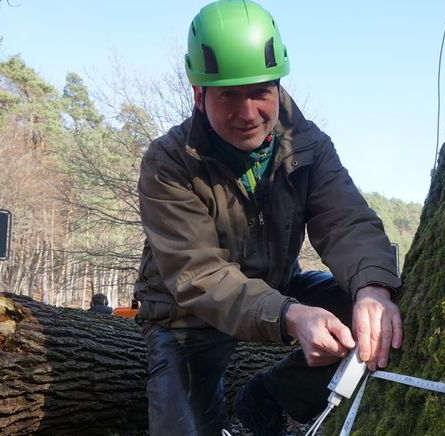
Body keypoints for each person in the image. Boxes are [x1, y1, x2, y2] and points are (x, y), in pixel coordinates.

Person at [133, 1, 403, 434]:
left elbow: (346, 221)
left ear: (278, 86)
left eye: (260, 91)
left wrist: (373, 286)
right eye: (229, 96)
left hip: (277, 285)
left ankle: (271, 395)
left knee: (379, 310)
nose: (248, 113)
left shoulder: (308, 143)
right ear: (198, 95)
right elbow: (199, 275)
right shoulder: (168, 162)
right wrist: (291, 317)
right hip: (185, 314)